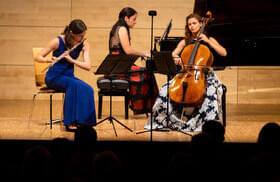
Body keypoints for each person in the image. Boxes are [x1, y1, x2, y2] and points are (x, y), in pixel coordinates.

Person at [145, 13, 227, 132]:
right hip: (185, 74)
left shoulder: (210, 39)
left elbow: (223, 52)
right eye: (189, 24)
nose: (192, 26)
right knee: (164, 90)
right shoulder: (185, 41)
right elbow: (173, 53)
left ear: (200, 24)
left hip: (205, 76)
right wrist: (176, 58)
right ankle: (163, 122)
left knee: (210, 96)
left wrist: (208, 42)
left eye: (194, 23)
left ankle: (205, 126)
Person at [35, 19, 97, 131]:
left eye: (84, 35)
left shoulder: (84, 44)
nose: (82, 38)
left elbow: (87, 66)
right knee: (74, 86)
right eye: (80, 35)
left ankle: (85, 122)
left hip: (69, 77)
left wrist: (71, 60)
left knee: (89, 89)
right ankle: (70, 122)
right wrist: (49, 60)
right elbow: (38, 57)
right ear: (72, 33)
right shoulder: (58, 41)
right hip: (54, 77)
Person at [107, 7, 158, 114]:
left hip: (118, 65)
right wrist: (144, 53)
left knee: (146, 72)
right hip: (118, 68)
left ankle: (145, 107)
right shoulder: (122, 29)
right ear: (126, 18)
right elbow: (128, 50)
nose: (135, 22)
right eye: (134, 19)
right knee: (146, 73)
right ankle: (143, 107)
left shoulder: (117, 27)